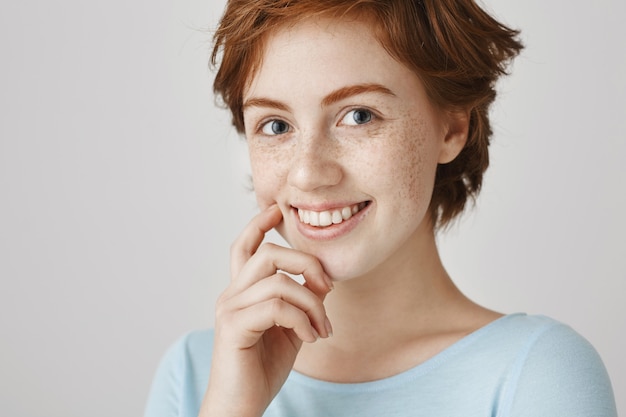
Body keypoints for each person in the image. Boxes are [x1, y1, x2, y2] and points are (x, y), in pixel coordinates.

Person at [145, 1, 617, 416]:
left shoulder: (537, 373)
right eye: (275, 125)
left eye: (359, 115)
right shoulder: (193, 374)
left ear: (452, 128)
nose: (308, 173)